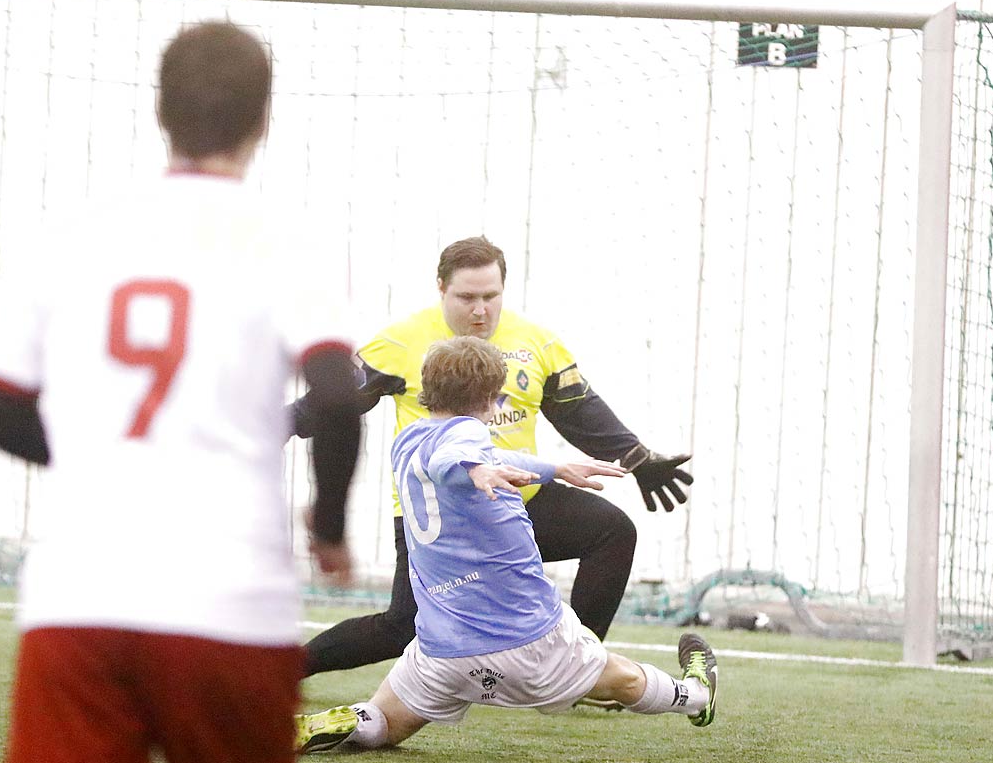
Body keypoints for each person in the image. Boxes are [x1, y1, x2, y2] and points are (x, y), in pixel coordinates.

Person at [0, 21, 364, 763]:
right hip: (228, 599)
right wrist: (330, 523)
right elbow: (339, 394)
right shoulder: (283, 239)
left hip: (79, 597)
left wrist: (108, 458)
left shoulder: (75, 234)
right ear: (263, 121)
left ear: (159, 112)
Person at [295, 235, 694, 677]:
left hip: (512, 507)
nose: (480, 309)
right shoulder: (401, 341)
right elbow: (336, 401)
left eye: (491, 296)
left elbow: (579, 409)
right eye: (467, 297)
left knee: (612, 532)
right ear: (441, 288)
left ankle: (576, 669)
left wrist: (635, 456)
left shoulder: (537, 343)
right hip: (438, 519)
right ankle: (288, 668)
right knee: (403, 627)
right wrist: (278, 424)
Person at [294, 337, 717, 754]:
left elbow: (469, 457)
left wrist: (554, 468)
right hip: (526, 640)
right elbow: (457, 457)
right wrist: (476, 469)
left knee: (384, 723)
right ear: (493, 398)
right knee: (621, 678)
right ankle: (696, 694)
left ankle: (339, 724)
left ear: (427, 388)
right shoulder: (467, 439)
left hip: (443, 649)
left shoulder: (409, 442)